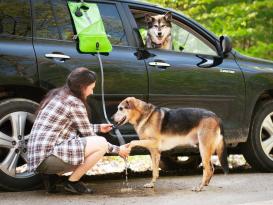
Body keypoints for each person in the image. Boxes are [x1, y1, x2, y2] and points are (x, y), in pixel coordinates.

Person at [27, 67, 130, 194]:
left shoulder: (59, 96)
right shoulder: (74, 103)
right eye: (91, 88)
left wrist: (99, 127)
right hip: (47, 159)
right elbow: (91, 136)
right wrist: (118, 150)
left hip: (38, 157)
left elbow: (71, 126)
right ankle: (72, 182)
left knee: (96, 143)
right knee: (101, 143)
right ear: (82, 87)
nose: (92, 92)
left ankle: (52, 177)